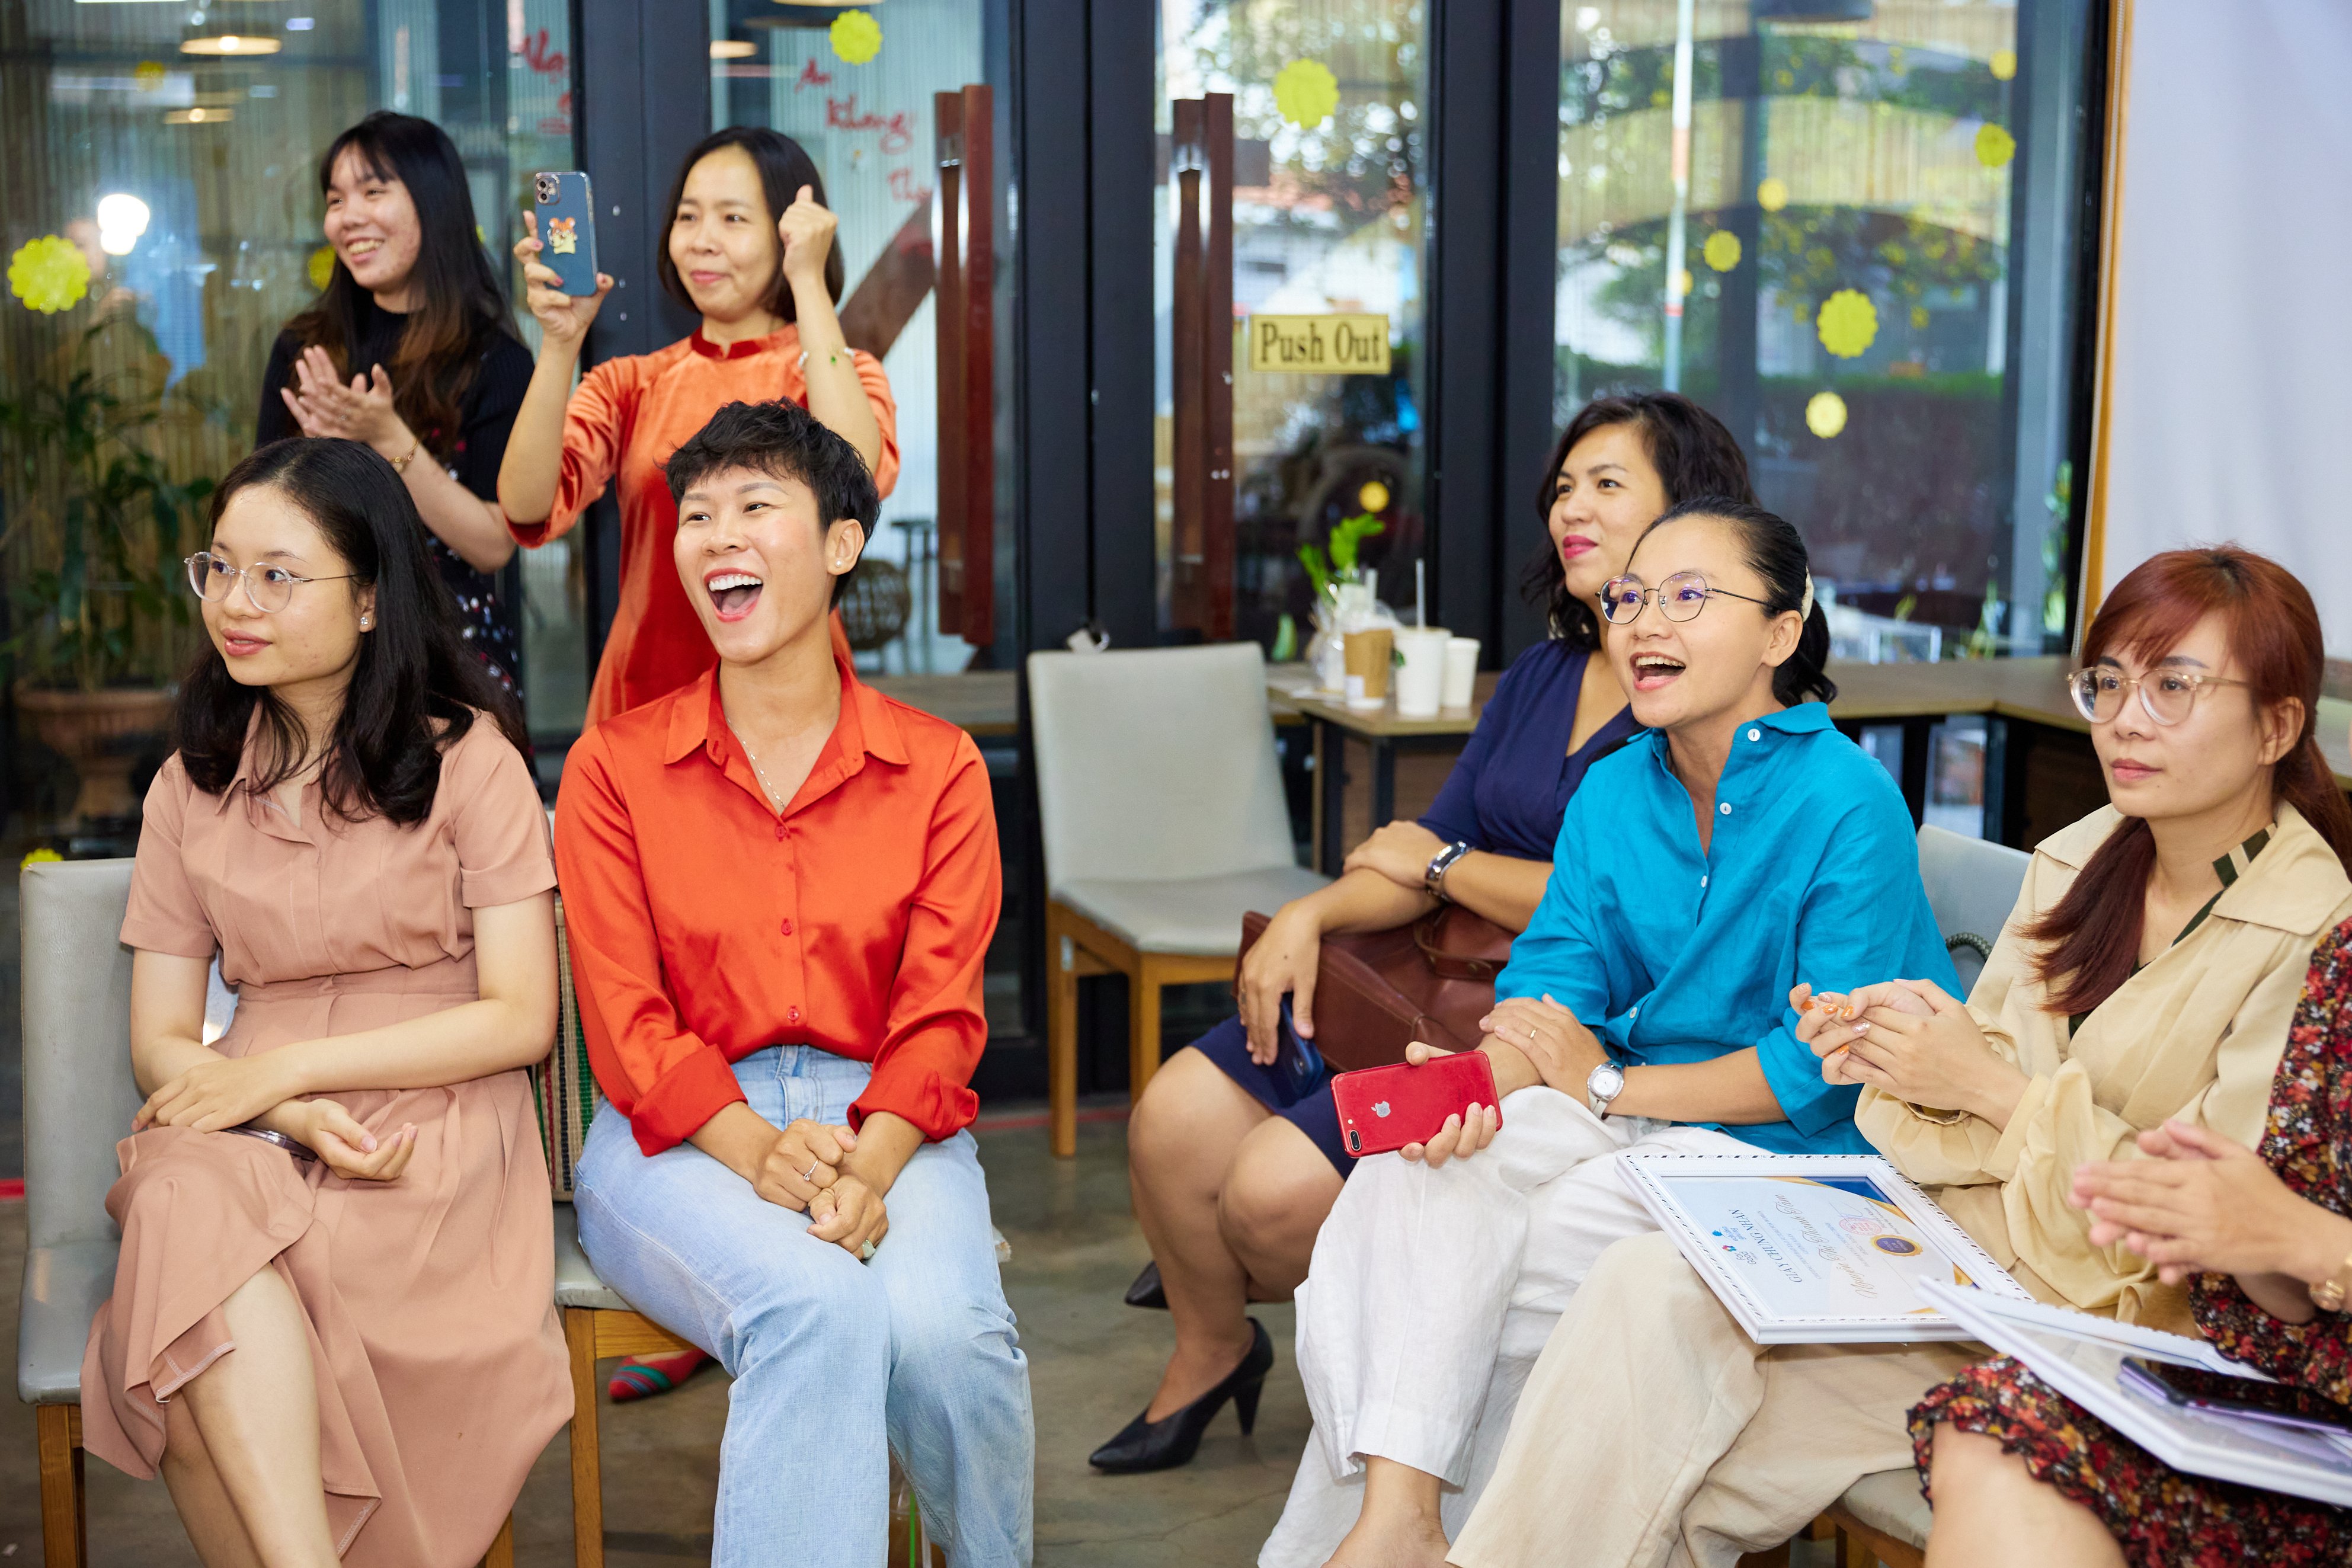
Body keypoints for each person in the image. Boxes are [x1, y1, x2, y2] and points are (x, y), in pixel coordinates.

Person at [1444, 545, 2352, 1568]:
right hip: (1972, 1275)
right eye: (2105, 682)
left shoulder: (2308, 935)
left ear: (2276, 725)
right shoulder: (2080, 857)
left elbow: (2209, 1237)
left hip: (2119, 1336)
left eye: (2172, 686)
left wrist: (1988, 1092)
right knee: (1649, 1287)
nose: (2125, 718)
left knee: (1670, 1438)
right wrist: (1890, 1052)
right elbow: (1966, 1112)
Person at [1260, 497, 1963, 1567]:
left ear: (1779, 634)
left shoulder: (1845, 802)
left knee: (1483, 1278)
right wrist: (1472, 1085)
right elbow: (1554, 985)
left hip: (1787, 1158)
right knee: (1403, 1185)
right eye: (1632, 597)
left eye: (1688, 597)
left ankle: (1406, 1541)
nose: (1642, 623)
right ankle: (1395, 1522)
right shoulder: (1612, 789)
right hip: (1626, 1109)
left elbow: (1812, 1074)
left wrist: (1599, 1090)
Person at [1096, 394, 1760, 1474]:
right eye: (1560, 488)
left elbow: (1633, 911)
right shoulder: (1544, 673)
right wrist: (1307, 917)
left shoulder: (1698, 701)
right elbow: (1418, 845)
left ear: (1692, 516)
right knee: (1173, 1117)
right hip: (1418, 982)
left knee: (1266, 1195)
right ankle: (1213, 1351)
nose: (1569, 510)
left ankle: (1425, 1397)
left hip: (1543, 1032)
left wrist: (1451, 871)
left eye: (1605, 484)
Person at [553, 399, 1030, 1564]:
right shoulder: (615, 767)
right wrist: (756, 1148)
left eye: (756, 508)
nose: (716, 535)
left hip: (889, 1120)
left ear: (840, 545)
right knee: (815, 1310)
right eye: (696, 515)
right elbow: (625, 1025)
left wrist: (864, 1169)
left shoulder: (938, 768)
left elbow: (940, 1019)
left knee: (948, 1338)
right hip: (673, 1138)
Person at [79, 438, 569, 1566]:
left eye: (277, 575)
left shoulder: (469, 763)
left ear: (367, 602)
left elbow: (519, 1018)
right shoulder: (188, 783)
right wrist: (271, 1110)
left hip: (427, 1116)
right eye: (221, 570)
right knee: (182, 1207)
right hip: (248, 1120)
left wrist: (291, 1074)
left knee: (193, 1342)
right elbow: (161, 1041)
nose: (236, 605)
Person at [1912, 917, 2352, 1567]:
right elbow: (2289, 1308)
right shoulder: (2341, 962)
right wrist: (2237, 1238)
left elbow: (2309, 1244)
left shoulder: (2300, 917)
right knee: (1998, 1423)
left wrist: (2311, 1242)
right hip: (2309, 1415)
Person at [500, 126, 897, 729]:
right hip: (645, 709)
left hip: (797, 717)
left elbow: (858, 473)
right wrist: (560, 344)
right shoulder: (630, 383)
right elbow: (526, 507)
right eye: (688, 217)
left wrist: (808, 282)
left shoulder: (840, 375)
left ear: (791, 235)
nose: (701, 242)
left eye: (733, 219)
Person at [260, 112, 533, 698]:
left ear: (434, 204)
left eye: (373, 191)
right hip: (319, 663)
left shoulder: (496, 360)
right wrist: (312, 462)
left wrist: (389, 439)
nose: (347, 216)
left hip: (452, 664)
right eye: (335, 199)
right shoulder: (306, 348)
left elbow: (492, 545)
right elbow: (261, 527)